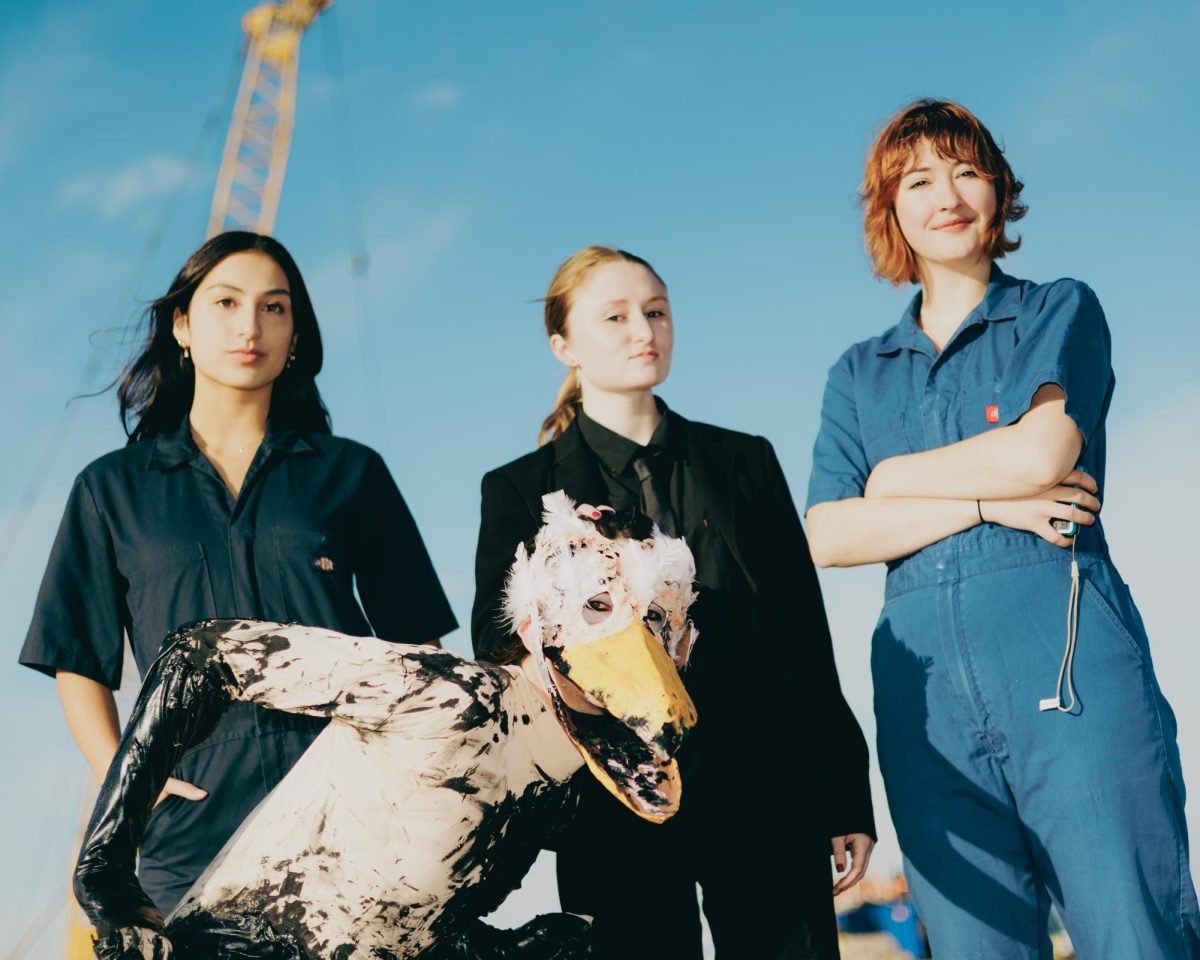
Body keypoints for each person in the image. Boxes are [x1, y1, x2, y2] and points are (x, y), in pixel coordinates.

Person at [805, 99, 1200, 958]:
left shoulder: (1058, 309)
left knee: (1136, 932)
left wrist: (894, 479)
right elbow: (828, 535)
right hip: (923, 705)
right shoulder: (857, 374)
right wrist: (983, 503)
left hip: (1067, 672)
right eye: (918, 180)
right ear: (890, 209)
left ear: (999, 191)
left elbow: (1042, 454)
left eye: (966, 171)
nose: (945, 194)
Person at [19, 231, 457, 914]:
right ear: (183, 327)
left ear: (295, 337)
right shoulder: (112, 489)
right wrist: (128, 781)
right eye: (225, 302)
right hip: (191, 825)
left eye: (274, 308)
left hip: (351, 810)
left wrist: (404, 771)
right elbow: (77, 660)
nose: (249, 326)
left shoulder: (351, 472)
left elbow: (419, 647)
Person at [74, 492, 700, 960]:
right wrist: (106, 873)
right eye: (599, 605)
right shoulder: (451, 696)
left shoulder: (563, 779)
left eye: (658, 623)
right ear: (537, 614)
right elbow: (200, 655)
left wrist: (496, 950)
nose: (635, 641)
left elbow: (402, 905)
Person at [473, 246, 875, 960]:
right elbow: (499, 649)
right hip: (615, 802)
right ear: (562, 342)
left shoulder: (743, 460)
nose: (644, 330)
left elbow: (802, 636)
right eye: (617, 316)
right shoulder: (515, 490)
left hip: (765, 786)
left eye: (656, 312)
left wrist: (841, 793)